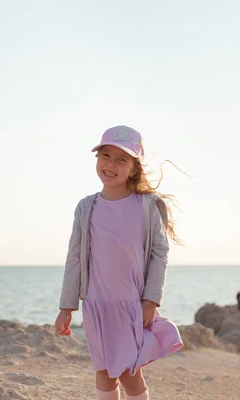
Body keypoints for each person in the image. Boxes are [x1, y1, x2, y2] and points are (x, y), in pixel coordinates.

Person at [54, 125, 183, 400]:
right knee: (103, 372)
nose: (110, 165)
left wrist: (150, 300)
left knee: (129, 371)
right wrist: (67, 306)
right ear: (97, 159)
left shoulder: (147, 206)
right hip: (96, 304)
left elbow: (160, 253)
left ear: (134, 168)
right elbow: (75, 257)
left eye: (121, 159)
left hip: (130, 304)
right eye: (105, 156)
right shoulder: (86, 207)